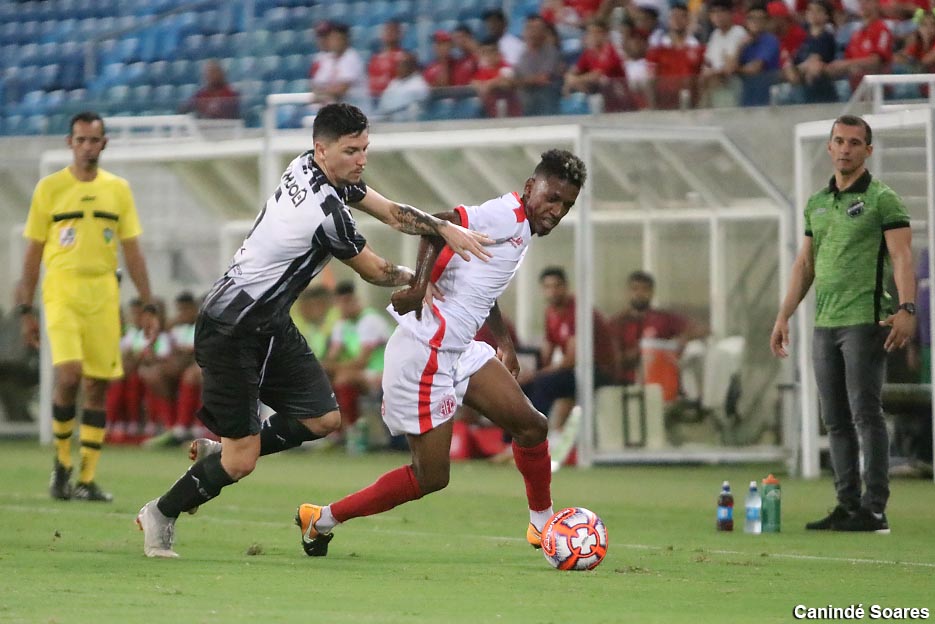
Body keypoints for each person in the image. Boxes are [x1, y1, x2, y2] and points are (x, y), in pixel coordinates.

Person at [135, 103, 492, 558]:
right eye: (351, 151)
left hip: (269, 324)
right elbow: (374, 271)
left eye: (364, 148)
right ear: (323, 149)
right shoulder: (325, 213)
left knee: (322, 419)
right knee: (241, 462)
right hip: (232, 330)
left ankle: (221, 453)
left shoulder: (306, 166)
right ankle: (160, 512)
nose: (362, 159)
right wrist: (419, 280)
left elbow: (390, 212)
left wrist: (442, 227)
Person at [293, 149, 586, 558]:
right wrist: (419, 286)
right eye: (552, 198)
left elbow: (481, 285)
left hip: (459, 349)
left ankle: (542, 525)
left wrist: (503, 341)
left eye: (566, 205)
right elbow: (437, 224)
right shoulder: (505, 215)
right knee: (430, 476)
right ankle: (322, 518)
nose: (557, 210)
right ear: (529, 187)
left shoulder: (520, 229)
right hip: (425, 353)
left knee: (532, 427)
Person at [770, 115, 915, 533]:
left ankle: (875, 509)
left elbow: (902, 256)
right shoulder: (817, 202)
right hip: (826, 323)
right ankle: (847, 505)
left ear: (868, 150)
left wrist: (908, 308)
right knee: (834, 418)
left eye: (854, 142)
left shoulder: (883, 199)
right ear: (829, 147)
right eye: (839, 141)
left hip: (865, 321)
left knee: (865, 413)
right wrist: (783, 315)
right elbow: (805, 264)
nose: (846, 148)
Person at [16, 111, 152, 502]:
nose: (87, 147)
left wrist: (147, 303)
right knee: (70, 374)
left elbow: (132, 249)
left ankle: (87, 478)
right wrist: (25, 309)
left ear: (104, 144)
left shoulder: (118, 190)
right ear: (70, 143)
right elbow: (33, 252)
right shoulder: (50, 188)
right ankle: (62, 463)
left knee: (97, 384)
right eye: (81, 140)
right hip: (62, 290)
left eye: (94, 140)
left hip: (104, 293)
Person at [609, 270, 708, 387]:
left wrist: (682, 339)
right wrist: (644, 351)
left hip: (661, 381)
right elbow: (613, 360)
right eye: (635, 289)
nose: (640, 293)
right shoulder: (617, 323)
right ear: (628, 292)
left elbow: (703, 329)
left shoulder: (663, 318)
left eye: (645, 289)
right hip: (626, 384)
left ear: (652, 293)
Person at [323, 280, 392, 431]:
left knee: (343, 378)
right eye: (339, 303)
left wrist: (332, 367)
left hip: (383, 372)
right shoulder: (341, 325)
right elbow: (332, 356)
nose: (342, 307)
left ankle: (352, 429)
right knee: (324, 378)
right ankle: (335, 428)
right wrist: (324, 367)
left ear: (354, 301)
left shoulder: (370, 321)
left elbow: (362, 361)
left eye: (346, 302)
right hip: (363, 373)